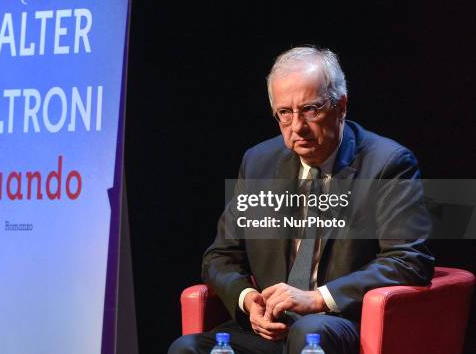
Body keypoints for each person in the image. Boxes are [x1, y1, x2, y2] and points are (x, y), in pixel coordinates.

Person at [169, 46, 434, 354]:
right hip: (271, 328)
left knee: (311, 332)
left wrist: (318, 298)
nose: (297, 127)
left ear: (342, 106)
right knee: (186, 348)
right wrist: (246, 299)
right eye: (285, 113)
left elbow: (409, 260)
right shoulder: (258, 163)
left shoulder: (388, 164)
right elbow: (219, 257)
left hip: (339, 323)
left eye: (311, 110)